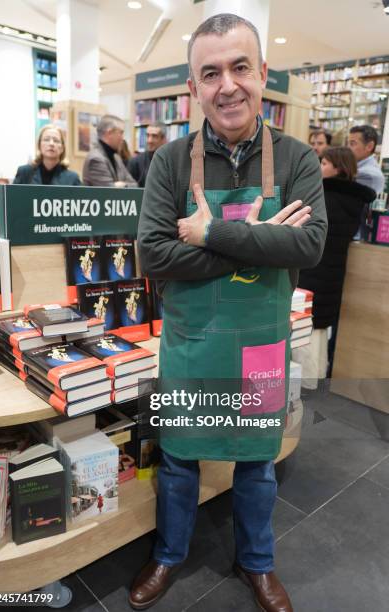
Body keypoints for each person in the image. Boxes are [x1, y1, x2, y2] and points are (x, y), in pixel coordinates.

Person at [134, 13, 327, 612]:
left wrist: (209, 233)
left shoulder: (297, 159)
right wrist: (256, 240)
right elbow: (154, 253)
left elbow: (309, 245)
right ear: (193, 87)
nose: (228, 84)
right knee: (177, 461)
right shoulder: (168, 162)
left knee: (257, 465)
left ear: (262, 73)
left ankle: (258, 564)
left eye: (240, 67)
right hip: (190, 344)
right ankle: (168, 556)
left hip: (260, 344)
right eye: (210, 72)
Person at [296, 147, 375, 385]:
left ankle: (303, 384)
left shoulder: (323, 198)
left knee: (302, 328)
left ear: (338, 168)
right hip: (332, 275)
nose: (319, 167)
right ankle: (314, 381)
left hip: (311, 272)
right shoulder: (356, 201)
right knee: (317, 331)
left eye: (324, 163)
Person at [13, 125, 81, 185]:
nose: (51, 143)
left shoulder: (72, 178)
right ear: (39, 145)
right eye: (46, 139)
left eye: (56, 140)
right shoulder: (24, 173)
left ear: (62, 148)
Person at [82, 115, 137, 187]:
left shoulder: (116, 157)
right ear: (109, 133)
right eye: (121, 133)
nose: (122, 138)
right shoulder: (96, 159)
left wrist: (122, 185)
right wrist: (122, 185)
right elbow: (109, 192)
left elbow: (134, 185)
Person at [128, 122, 167, 187]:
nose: (149, 140)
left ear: (163, 139)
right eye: (147, 135)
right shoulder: (135, 162)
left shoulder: (171, 161)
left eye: (154, 136)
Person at [348, 125, 385, 194]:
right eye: (348, 144)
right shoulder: (356, 168)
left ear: (369, 146)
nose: (348, 148)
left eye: (352, 144)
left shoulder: (366, 174)